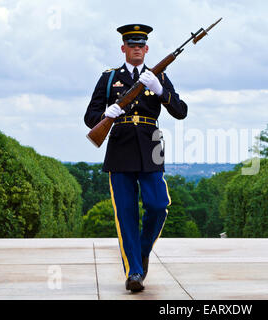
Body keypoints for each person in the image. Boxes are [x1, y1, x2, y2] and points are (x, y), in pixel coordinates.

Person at [84, 24, 188, 292]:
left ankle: (141, 252)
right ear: (124, 48)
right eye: (132, 45)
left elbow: (181, 111)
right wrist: (108, 113)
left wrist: (161, 92)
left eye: (141, 45)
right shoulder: (109, 79)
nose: (137, 49)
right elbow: (90, 118)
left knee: (157, 205)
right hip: (120, 149)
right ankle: (134, 273)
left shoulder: (159, 77)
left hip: (150, 147)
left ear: (147, 49)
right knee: (126, 214)